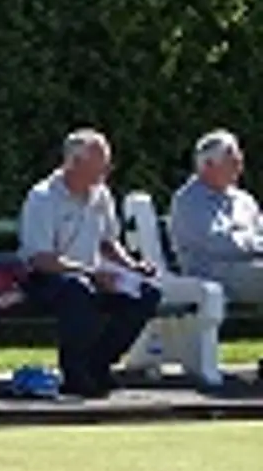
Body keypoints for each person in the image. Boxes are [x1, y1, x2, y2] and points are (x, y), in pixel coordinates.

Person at [17, 128, 162, 398]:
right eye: (100, 166)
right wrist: (91, 272)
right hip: (45, 278)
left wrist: (132, 266)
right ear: (74, 163)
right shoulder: (43, 197)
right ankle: (74, 372)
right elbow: (40, 258)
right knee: (77, 290)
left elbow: (108, 242)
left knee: (147, 293)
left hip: (90, 273)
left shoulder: (101, 194)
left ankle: (98, 364)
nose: (105, 173)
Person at [168, 129, 263, 304]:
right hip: (213, 276)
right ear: (208, 165)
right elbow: (216, 242)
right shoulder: (189, 201)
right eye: (232, 162)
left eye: (239, 161)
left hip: (249, 268)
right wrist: (254, 243)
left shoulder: (244, 200)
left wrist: (249, 241)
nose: (239, 167)